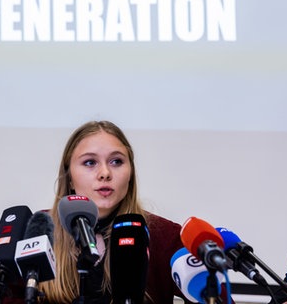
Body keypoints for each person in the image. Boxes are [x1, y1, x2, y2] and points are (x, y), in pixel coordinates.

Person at [39, 120, 194, 304]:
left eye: (116, 161)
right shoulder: (39, 230)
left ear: (130, 174)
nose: (105, 173)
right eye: (90, 162)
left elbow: (213, 296)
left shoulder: (164, 235)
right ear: (70, 178)